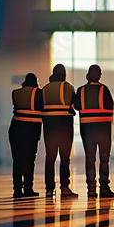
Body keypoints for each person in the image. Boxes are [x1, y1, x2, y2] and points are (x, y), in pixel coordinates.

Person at [74, 64, 114, 199]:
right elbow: (111, 106)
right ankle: (104, 187)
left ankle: (91, 188)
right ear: (98, 75)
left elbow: (77, 106)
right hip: (103, 130)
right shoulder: (104, 89)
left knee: (90, 158)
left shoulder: (80, 90)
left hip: (87, 130)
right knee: (104, 159)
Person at [41, 64, 77, 198]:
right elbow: (75, 104)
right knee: (64, 157)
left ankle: (49, 189)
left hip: (49, 127)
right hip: (64, 126)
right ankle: (65, 187)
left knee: (50, 157)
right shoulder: (68, 87)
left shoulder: (44, 89)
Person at [9, 73, 43, 199]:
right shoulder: (39, 93)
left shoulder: (15, 92)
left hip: (16, 128)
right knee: (29, 159)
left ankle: (17, 189)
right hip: (31, 129)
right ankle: (28, 188)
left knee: (17, 159)